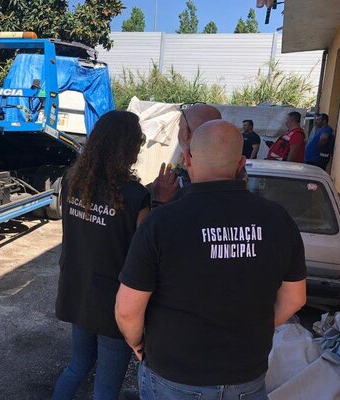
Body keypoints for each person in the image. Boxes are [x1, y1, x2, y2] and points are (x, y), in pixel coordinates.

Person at [115, 120, 307, 400]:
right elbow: (295, 299)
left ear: (188, 158)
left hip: (174, 376)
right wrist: (253, 331)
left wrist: (138, 342)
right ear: (241, 163)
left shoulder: (161, 222)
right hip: (246, 376)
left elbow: (127, 309)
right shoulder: (278, 218)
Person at [53, 110, 151, 400]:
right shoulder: (135, 196)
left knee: (78, 365)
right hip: (113, 302)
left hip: (78, 290)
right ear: (128, 148)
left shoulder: (73, 180)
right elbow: (146, 253)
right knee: (105, 390)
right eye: (138, 142)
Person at [151, 103, 222, 206]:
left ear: (186, 133)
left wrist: (160, 201)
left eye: (180, 127)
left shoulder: (168, 186)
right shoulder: (235, 176)